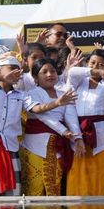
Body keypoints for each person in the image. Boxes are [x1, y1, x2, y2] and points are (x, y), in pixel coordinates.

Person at [0, 56, 76, 196]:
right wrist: (1, 77)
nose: (16, 73)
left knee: (10, 193)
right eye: (12, 69)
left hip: (9, 145)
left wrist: (57, 103)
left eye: (18, 70)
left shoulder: (21, 94)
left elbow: (37, 109)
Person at [21, 59, 81, 196]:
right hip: (35, 146)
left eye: (53, 71)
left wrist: (78, 138)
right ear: (35, 77)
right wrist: (63, 130)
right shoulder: (32, 93)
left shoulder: (63, 93)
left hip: (57, 146)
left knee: (55, 183)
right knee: (35, 186)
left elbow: (71, 118)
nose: (50, 74)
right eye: (44, 72)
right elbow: (42, 114)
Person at [65, 49, 104, 196]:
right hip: (78, 132)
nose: (96, 66)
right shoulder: (78, 81)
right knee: (78, 174)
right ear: (87, 64)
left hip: (102, 137)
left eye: (102, 65)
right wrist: (98, 72)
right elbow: (72, 72)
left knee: (99, 176)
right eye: (93, 62)